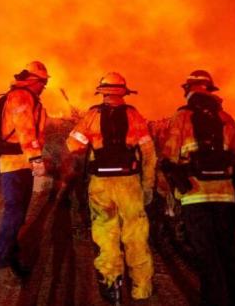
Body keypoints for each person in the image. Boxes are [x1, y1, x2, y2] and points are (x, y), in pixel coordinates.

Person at [65, 72, 156, 303]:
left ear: (103, 92)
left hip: (101, 185)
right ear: (123, 92)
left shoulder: (92, 115)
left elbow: (72, 145)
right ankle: (141, 288)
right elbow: (148, 153)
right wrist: (148, 185)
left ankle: (112, 285)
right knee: (136, 235)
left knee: (106, 234)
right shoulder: (134, 116)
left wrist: (91, 143)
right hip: (130, 184)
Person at [160, 70, 235, 306]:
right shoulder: (226, 118)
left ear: (188, 90)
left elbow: (169, 157)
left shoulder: (181, 118)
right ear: (210, 90)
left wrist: (171, 192)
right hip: (225, 196)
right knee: (228, 251)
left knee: (207, 256)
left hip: (195, 197)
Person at [0, 61, 49, 287]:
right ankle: (1, 265)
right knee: (14, 214)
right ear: (34, 80)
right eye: (43, 82)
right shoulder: (22, 97)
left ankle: (11, 260)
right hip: (16, 165)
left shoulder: (25, 97)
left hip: (19, 164)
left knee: (18, 216)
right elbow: (25, 129)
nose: (44, 87)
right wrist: (36, 158)